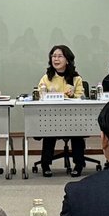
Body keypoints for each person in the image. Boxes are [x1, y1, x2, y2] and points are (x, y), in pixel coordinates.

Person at [38, 44, 88, 178]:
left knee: (77, 133)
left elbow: (81, 97)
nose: (56, 59)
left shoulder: (76, 78)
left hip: (73, 118)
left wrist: (73, 95)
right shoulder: (46, 78)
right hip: (51, 117)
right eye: (54, 56)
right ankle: (45, 165)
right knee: (49, 132)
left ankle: (78, 165)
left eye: (60, 56)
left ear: (67, 60)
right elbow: (40, 96)